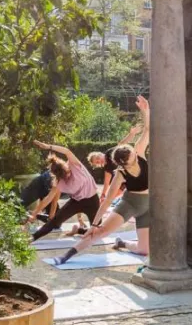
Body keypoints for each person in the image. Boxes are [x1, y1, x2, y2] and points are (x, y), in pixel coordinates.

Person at [50, 96, 151, 265]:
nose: (133, 150)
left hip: (148, 205)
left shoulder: (139, 153)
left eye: (131, 149)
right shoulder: (120, 174)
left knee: (144, 250)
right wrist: (95, 224)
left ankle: (122, 243)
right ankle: (66, 255)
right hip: (130, 204)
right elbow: (107, 201)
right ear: (126, 162)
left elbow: (147, 130)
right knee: (100, 232)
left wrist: (145, 110)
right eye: (131, 152)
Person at [25, 141, 101, 241]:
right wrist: (34, 214)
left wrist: (49, 146)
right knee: (54, 221)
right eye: (65, 177)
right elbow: (48, 199)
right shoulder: (58, 182)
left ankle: (79, 230)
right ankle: (32, 238)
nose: (68, 176)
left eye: (68, 173)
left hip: (92, 201)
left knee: (98, 232)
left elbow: (66, 151)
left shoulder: (74, 164)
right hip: (75, 202)